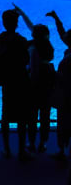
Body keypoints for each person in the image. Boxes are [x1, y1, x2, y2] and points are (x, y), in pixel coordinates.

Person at [13, 4, 56, 153]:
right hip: (48, 84)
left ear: (34, 35)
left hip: (34, 84)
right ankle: (43, 142)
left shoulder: (32, 46)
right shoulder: (47, 44)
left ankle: (31, 142)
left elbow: (33, 67)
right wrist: (23, 14)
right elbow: (33, 28)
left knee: (32, 115)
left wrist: (30, 83)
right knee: (45, 114)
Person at [0, 9, 31, 161]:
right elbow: (26, 59)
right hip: (20, 80)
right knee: (22, 117)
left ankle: (7, 149)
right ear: (17, 23)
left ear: (3, 23)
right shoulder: (21, 41)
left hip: (7, 81)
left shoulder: (1, 37)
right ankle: (21, 150)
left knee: (6, 115)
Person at [46, 10, 71, 159]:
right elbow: (63, 34)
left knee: (63, 123)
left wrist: (53, 74)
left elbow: (63, 76)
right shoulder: (69, 49)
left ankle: (62, 150)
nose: (64, 37)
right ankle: (64, 150)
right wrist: (56, 18)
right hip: (66, 94)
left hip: (66, 95)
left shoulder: (69, 58)